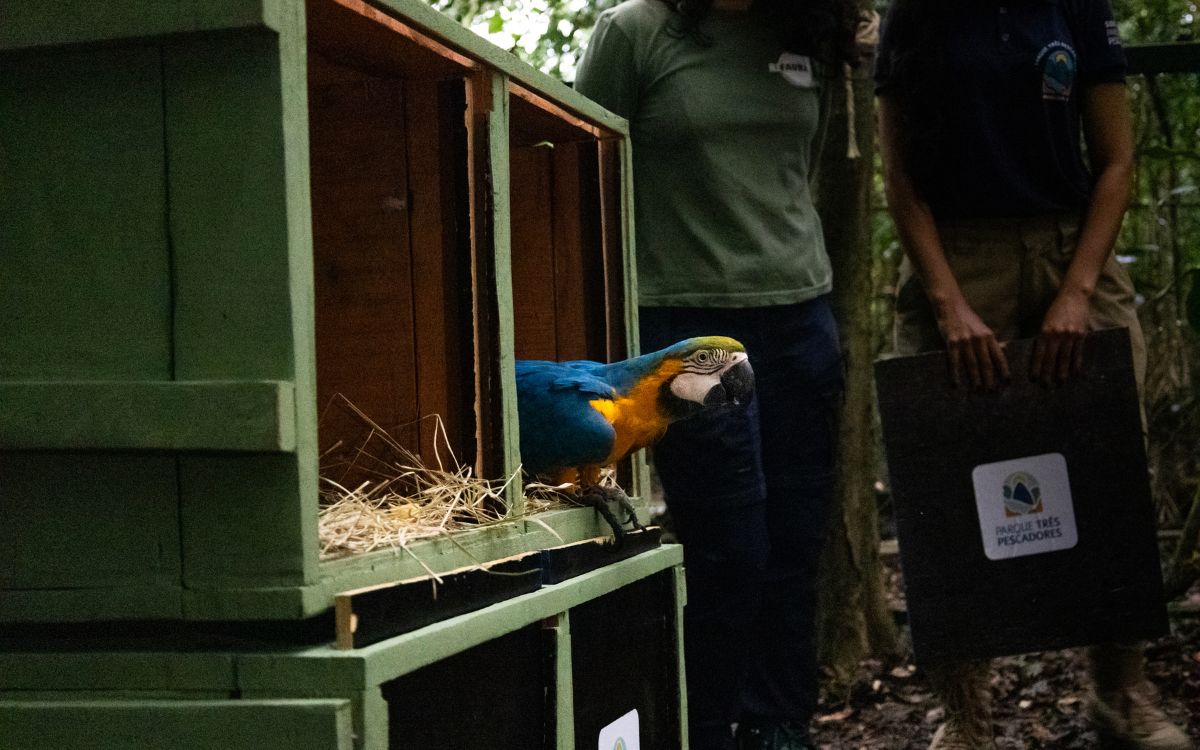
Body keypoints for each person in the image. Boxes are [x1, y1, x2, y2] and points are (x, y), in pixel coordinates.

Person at [876, 1, 1191, 749]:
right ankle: (966, 717)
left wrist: (1079, 291)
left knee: (1112, 464)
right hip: (957, 253)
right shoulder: (913, 16)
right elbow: (901, 177)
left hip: (1068, 244)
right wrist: (948, 306)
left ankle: (1120, 691)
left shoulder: (1075, 6)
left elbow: (1116, 161)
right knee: (947, 481)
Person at [575, 1, 859, 748]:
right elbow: (578, 171)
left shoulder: (807, 28)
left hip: (800, 318)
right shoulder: (636, 33)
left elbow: (800, 169)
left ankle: (779, 726)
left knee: (796, 542)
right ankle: (701, 726)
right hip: (687, 325)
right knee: (729, 544)